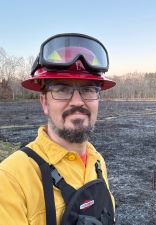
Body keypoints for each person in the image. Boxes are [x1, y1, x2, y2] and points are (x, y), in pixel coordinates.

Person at [0, 33, 116, 225]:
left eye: (88, 89)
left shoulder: (97, 162)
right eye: (62, 89)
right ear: (44, 101)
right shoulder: (11, 180)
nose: (78, 102)